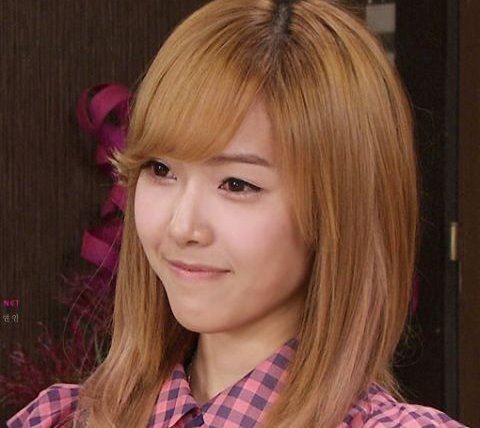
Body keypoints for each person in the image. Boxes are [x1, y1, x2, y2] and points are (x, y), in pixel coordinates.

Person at [7, 0, 468, 427]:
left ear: (339, 212)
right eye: (161, 169)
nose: (181, 227)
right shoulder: (59, 418)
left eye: (236, 184)